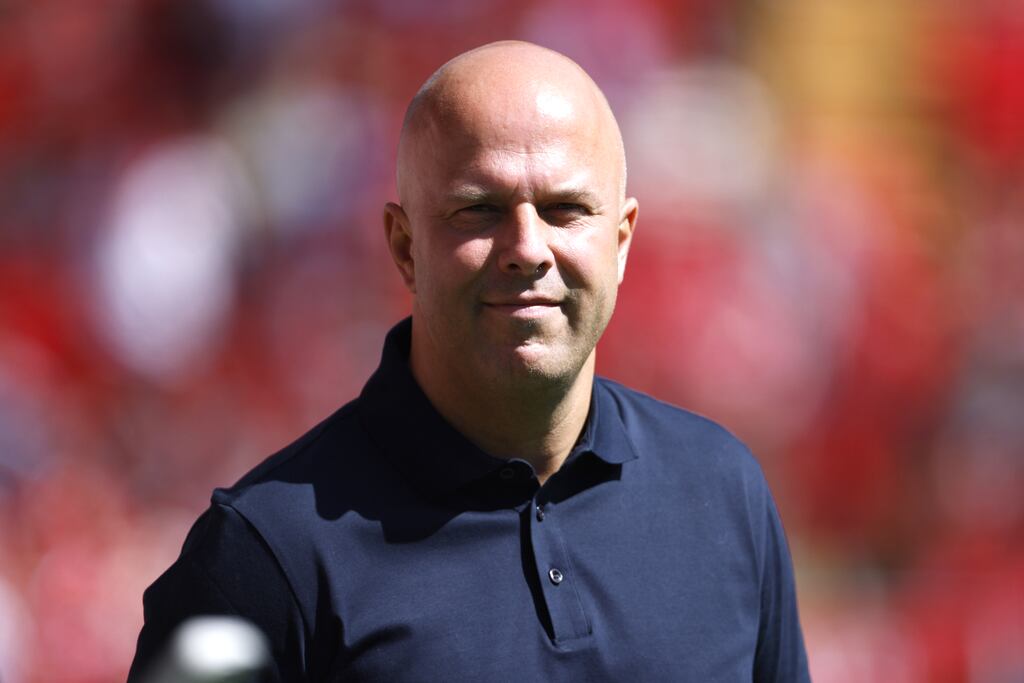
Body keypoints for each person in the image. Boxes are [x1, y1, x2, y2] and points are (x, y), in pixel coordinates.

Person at [129, 41, 810, 682]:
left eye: (566, 209)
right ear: (404, 246)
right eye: (479, 210)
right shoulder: (259, 559)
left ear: (623, 240)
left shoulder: (723, 494)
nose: (527, 247)